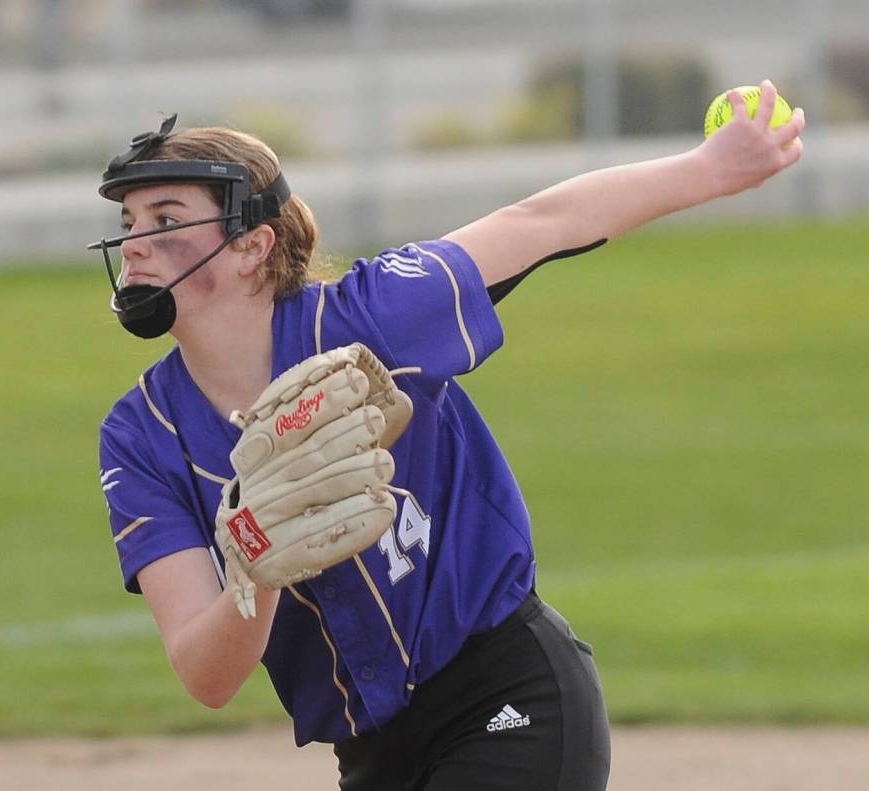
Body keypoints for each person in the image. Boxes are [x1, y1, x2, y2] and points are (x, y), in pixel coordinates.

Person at [94, 81, 804, 790]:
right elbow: (205, 671)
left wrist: (713, 167)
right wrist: (255, 568)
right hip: (373, 755)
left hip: (508, 696)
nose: (135, 244)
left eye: (164, 216)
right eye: (130, 221)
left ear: (252, 245)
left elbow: (541, 221)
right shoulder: (139, 435)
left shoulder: (366, 321)